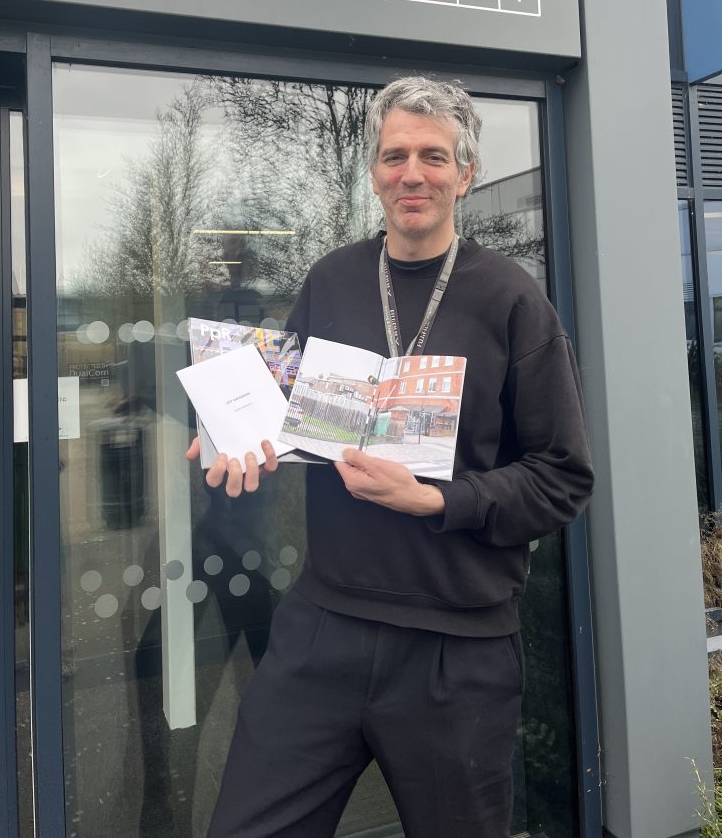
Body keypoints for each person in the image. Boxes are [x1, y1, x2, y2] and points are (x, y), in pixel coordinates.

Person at [186, 75, 594, 838]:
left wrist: (439, 500)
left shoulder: (512, 298)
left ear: (464, 173)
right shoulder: (331, 279)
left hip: (457, 650)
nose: (413, 173)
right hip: (322, 626)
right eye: (396, 154)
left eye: (434, 156)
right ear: (374, 170)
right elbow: (283, 411)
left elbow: (564, 475)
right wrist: (229, 432)